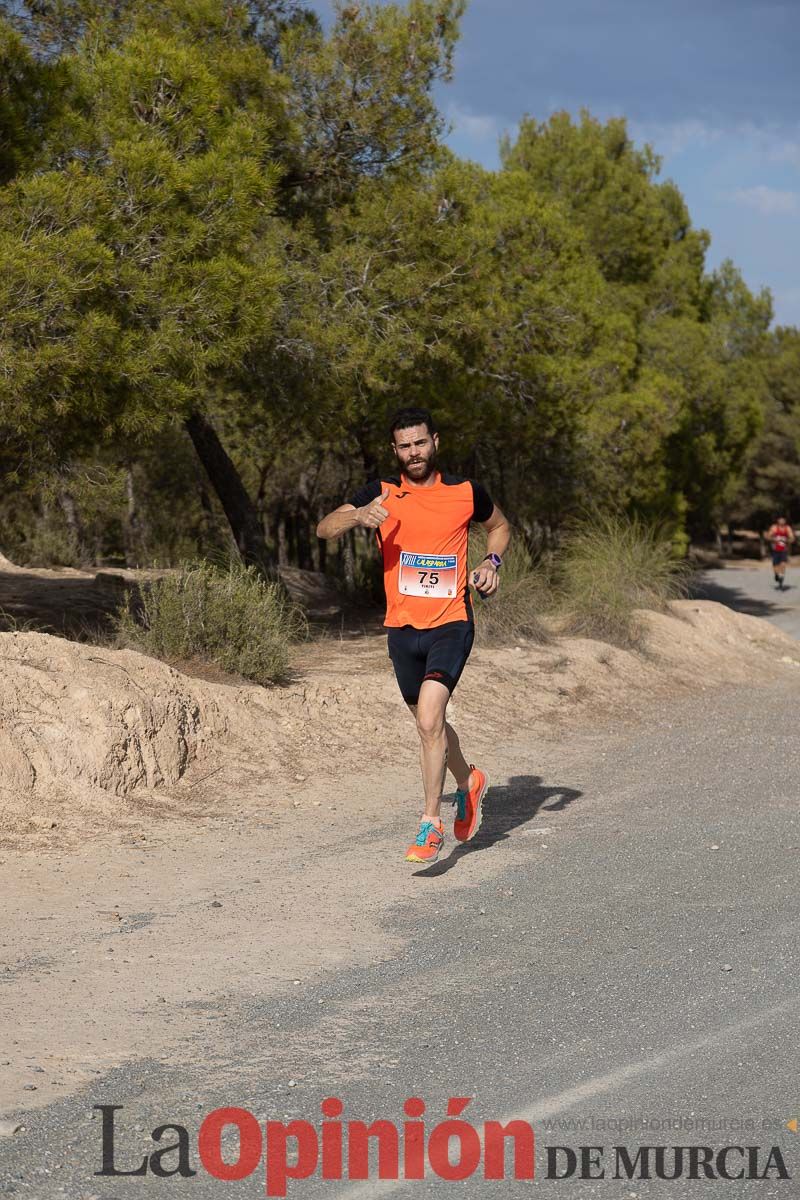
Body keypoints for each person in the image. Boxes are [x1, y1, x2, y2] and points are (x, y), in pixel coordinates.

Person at [316, 408, 511, 864]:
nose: (413, 452)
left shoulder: (466, 492)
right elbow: (324, 529)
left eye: (420, 443)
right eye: (404, 446)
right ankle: (469, 782)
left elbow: (499, 527)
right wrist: (357, 516)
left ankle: (430, 824)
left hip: (450, 623)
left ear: (435, 442)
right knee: (431, 724)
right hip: (402, 631)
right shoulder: (380, 494)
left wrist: (491, 563)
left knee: (428, 721)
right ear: (395, 451)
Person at [766, 516, 795, 589]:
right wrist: (774, 539)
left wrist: (787, 540)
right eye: (780, 520)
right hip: (775, 549)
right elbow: (768, 536)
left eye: (783, 520)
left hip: (784, 549)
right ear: (778, 520)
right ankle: (776, 574)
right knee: (775, 565)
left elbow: (792, 538)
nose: (782, 521)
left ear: (785, 521)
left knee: (783, 563)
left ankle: (781, 577)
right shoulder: (774, 528)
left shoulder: (787, 528)